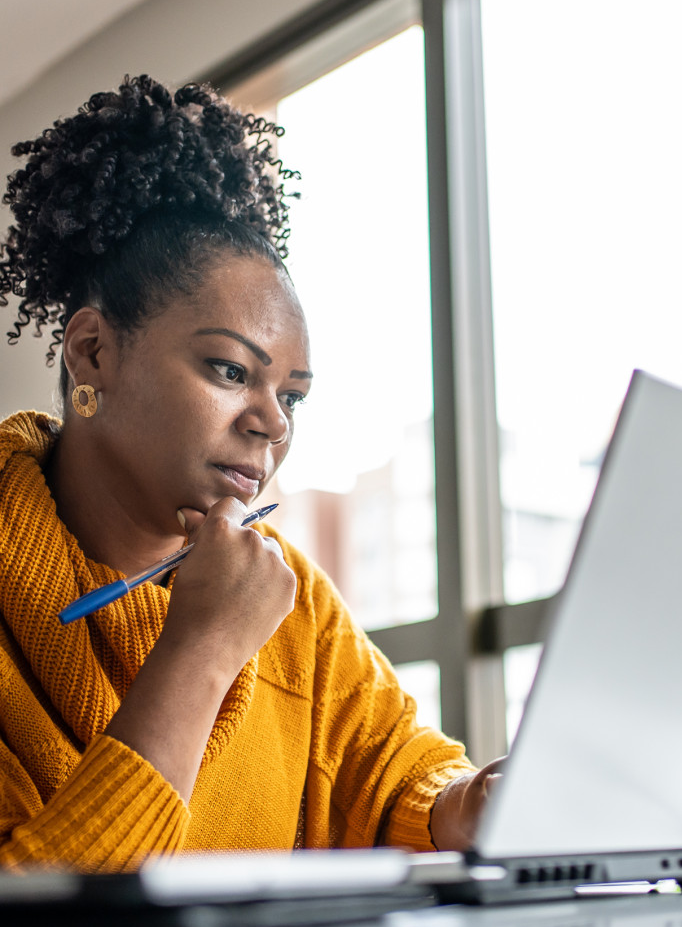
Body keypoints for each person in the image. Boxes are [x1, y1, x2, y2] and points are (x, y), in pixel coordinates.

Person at [0, 74, 498, 871]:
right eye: (232, 371)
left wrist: (468, 804)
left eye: (292, 396)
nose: (272, 422)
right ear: (93, 351)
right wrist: (201, 651)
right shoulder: (234, 610)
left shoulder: (293, 602)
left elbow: (396, 773)